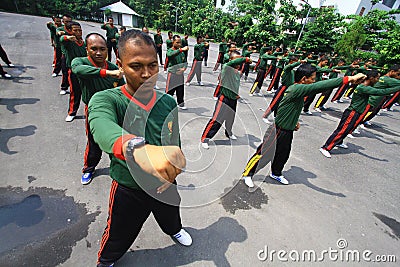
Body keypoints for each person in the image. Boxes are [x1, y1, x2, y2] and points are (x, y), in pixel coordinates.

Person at [88, 29, 192, 267]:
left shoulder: (167, 101)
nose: (147, 74)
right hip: (129, 186)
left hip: (164, 183)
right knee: (119, 233)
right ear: (120, 65)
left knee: (171, 216)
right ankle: (106, 260)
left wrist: (174, 166)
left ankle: (175, 231)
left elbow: (172, 139)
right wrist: (138, 149)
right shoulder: (107, 99)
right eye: (136, 66)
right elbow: (102, 127)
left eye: (153, 65)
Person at [241, 64, 365, 187]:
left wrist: (294, 122)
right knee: (264, 153)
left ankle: (276, 173)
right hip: (277, 130)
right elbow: (320, 86)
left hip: (287, 130)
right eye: (312, 78)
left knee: (283, 154)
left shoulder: (298, 91)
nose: (314, 80)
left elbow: (286, 108)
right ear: (304, 78)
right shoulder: (296, 89)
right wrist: (349, 79)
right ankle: (248, 174)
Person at [71, 33, 125, 184]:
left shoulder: (114, 68)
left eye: (103, 49)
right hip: (94, 111)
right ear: (87, 49)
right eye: (94, 49)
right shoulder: (80, 62)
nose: (99, 53)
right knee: (94, 142)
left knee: (117, 140)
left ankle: (120, 171)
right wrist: (106, 73)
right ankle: (89, 169)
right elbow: (78, 70)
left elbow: (123, 89)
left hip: (114, 110)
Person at [319, 69, 400, 158]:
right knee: (342, 130)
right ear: (372, 78)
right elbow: (381, 92)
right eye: (377, 78)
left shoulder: (365, 86)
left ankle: (339, 142)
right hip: (352, 112)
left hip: (355, 112)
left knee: (346, 129)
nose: (378, 80)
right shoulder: (363, 88)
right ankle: (326, 148)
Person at [201, 51, 251, 149]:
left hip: (233, 99)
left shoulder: (237, 72)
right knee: (217, 119)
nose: (239, 63)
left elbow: (234, 85)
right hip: (224, 99)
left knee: (230, 118)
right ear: (230, 60)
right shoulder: (226, 68)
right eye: (236, 60)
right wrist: (245, 59)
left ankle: (229, 133)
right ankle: (205, 138)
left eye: (240, 60)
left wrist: (236, 94)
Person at [60, 21, 86, 122]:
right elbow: (62, 39)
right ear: (70, 31)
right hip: (74, 72)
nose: (78, 32)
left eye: (80, 30)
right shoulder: (69, 43)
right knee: (75, 92)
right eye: (75, 30)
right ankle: (72, 112)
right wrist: (67, 37)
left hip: (86, 71)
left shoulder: (84, 43)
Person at [165, 35, 188, 110]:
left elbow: (185, 62)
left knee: (180, 90)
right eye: (177, 42)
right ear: (173, 42)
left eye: (180, 42)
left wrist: (183, 69)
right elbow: (170, 55)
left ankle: (180, 103)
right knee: (169, 91)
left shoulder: (182, 53)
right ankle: (166, 105)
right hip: (172, 74)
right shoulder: (170, 50)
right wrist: (181, 49)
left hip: (180, 74)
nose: (179, 44)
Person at [56, 14, 73, 95]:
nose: (68, 23)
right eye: (66, 21)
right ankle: (64, 87)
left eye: (70, 21)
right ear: (63, 22)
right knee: (65, 72)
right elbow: (59, 33)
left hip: (74, 54)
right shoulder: (61, 29)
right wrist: (61, 33)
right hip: (66, 55)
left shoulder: (74, 28)